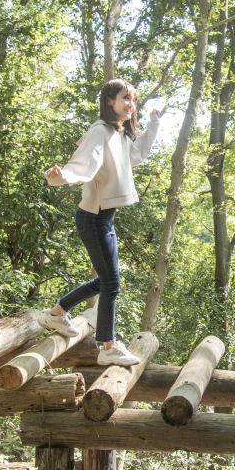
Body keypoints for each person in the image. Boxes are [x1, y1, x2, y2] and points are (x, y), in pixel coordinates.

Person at [40, 78, 160, 366]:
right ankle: (107, 345)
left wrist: (153, 123)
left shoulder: (118, 134)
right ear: (109, 101)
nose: (131, 105)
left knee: (106, 280)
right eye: (125, 99)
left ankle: (56, 314)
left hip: (105, 219)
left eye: (133, 100)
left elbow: (137, 154)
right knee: (111, 284)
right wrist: (61, 176)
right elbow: (84, 164)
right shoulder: (100, 131)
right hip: (93, 218)